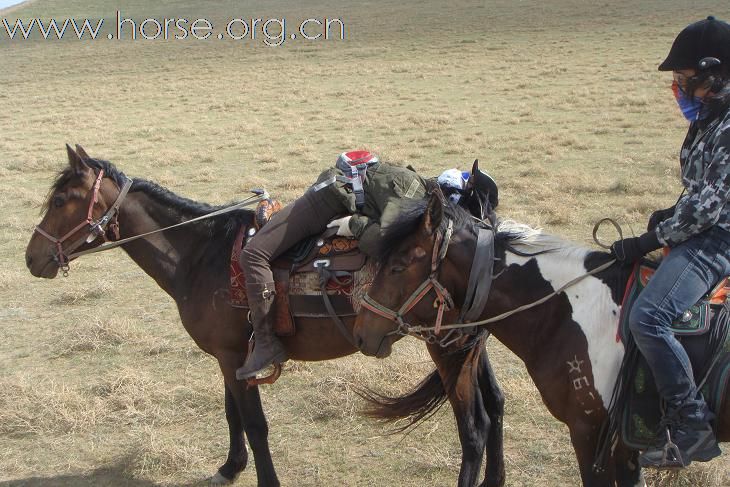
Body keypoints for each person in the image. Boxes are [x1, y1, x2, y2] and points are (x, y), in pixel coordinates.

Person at [610, 16, 730, 469]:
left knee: (650, 317)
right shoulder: (711, 120)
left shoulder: (728, 126)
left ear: (713, 75)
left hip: (718, 241)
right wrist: (669, 214)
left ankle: (691, 424)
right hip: (705, 230)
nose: (678, 87)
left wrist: (650, 239)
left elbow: (707, 213)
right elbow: (698, 195)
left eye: (684, 78)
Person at [236, 151, 427, 380]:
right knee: (254, 254)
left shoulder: (418, 190)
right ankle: (267, 343)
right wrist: (355, 224)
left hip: (352, 187)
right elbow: (385, 245)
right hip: (330, 195)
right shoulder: (411, 199)